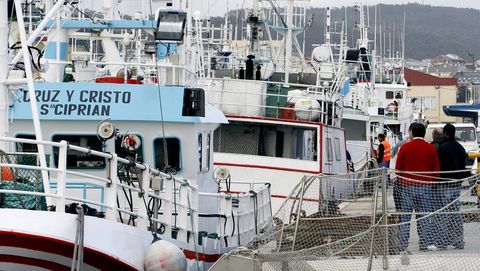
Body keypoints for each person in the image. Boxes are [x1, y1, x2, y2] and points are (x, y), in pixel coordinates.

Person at [395, 122, 440, 252]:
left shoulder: (405, 147)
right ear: (424, 133)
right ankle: (424, 243)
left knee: (405, 218)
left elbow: (397, 170)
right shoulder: (431, 148)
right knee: (425, 217)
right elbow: (436, 170)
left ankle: (402, 245)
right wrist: (429, 180)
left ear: (412, 133)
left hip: (407, 186)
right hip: (425, 187)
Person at [435, 123, 467, 250]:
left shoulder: (442, 148)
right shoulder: (460, 148)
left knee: (443, 214)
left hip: (444, 184)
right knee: (455, 214)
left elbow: (439, 167)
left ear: (446, 133)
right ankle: (458, 241)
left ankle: (442, 242)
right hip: (456, 185)